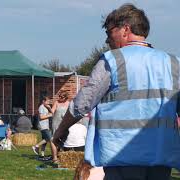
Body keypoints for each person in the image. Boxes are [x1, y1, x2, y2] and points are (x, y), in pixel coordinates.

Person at [53, 4, 180, 179]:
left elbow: (82, 104)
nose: (107, 40)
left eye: (109, 32)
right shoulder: (174, 63)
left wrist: (61, 129)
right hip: (162, 160)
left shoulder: (113, 60)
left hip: (123, 158)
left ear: (125, 29)